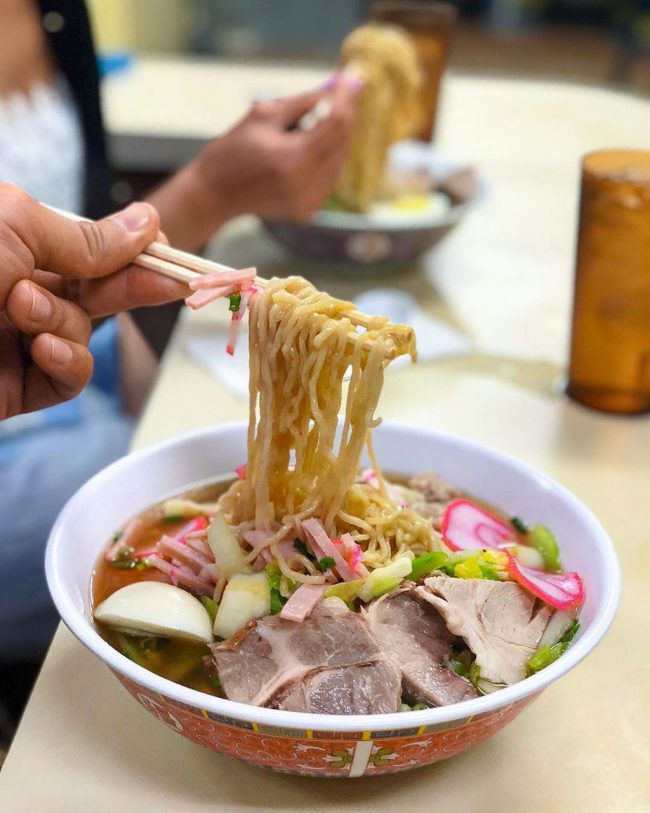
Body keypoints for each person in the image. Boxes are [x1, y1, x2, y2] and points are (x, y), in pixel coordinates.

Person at [0, 0, 360, 730]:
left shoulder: (54, 10)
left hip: (35, 347)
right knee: (196, 472)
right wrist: (209, 191)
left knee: (218, 442)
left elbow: (84, 255)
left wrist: (211, 192)